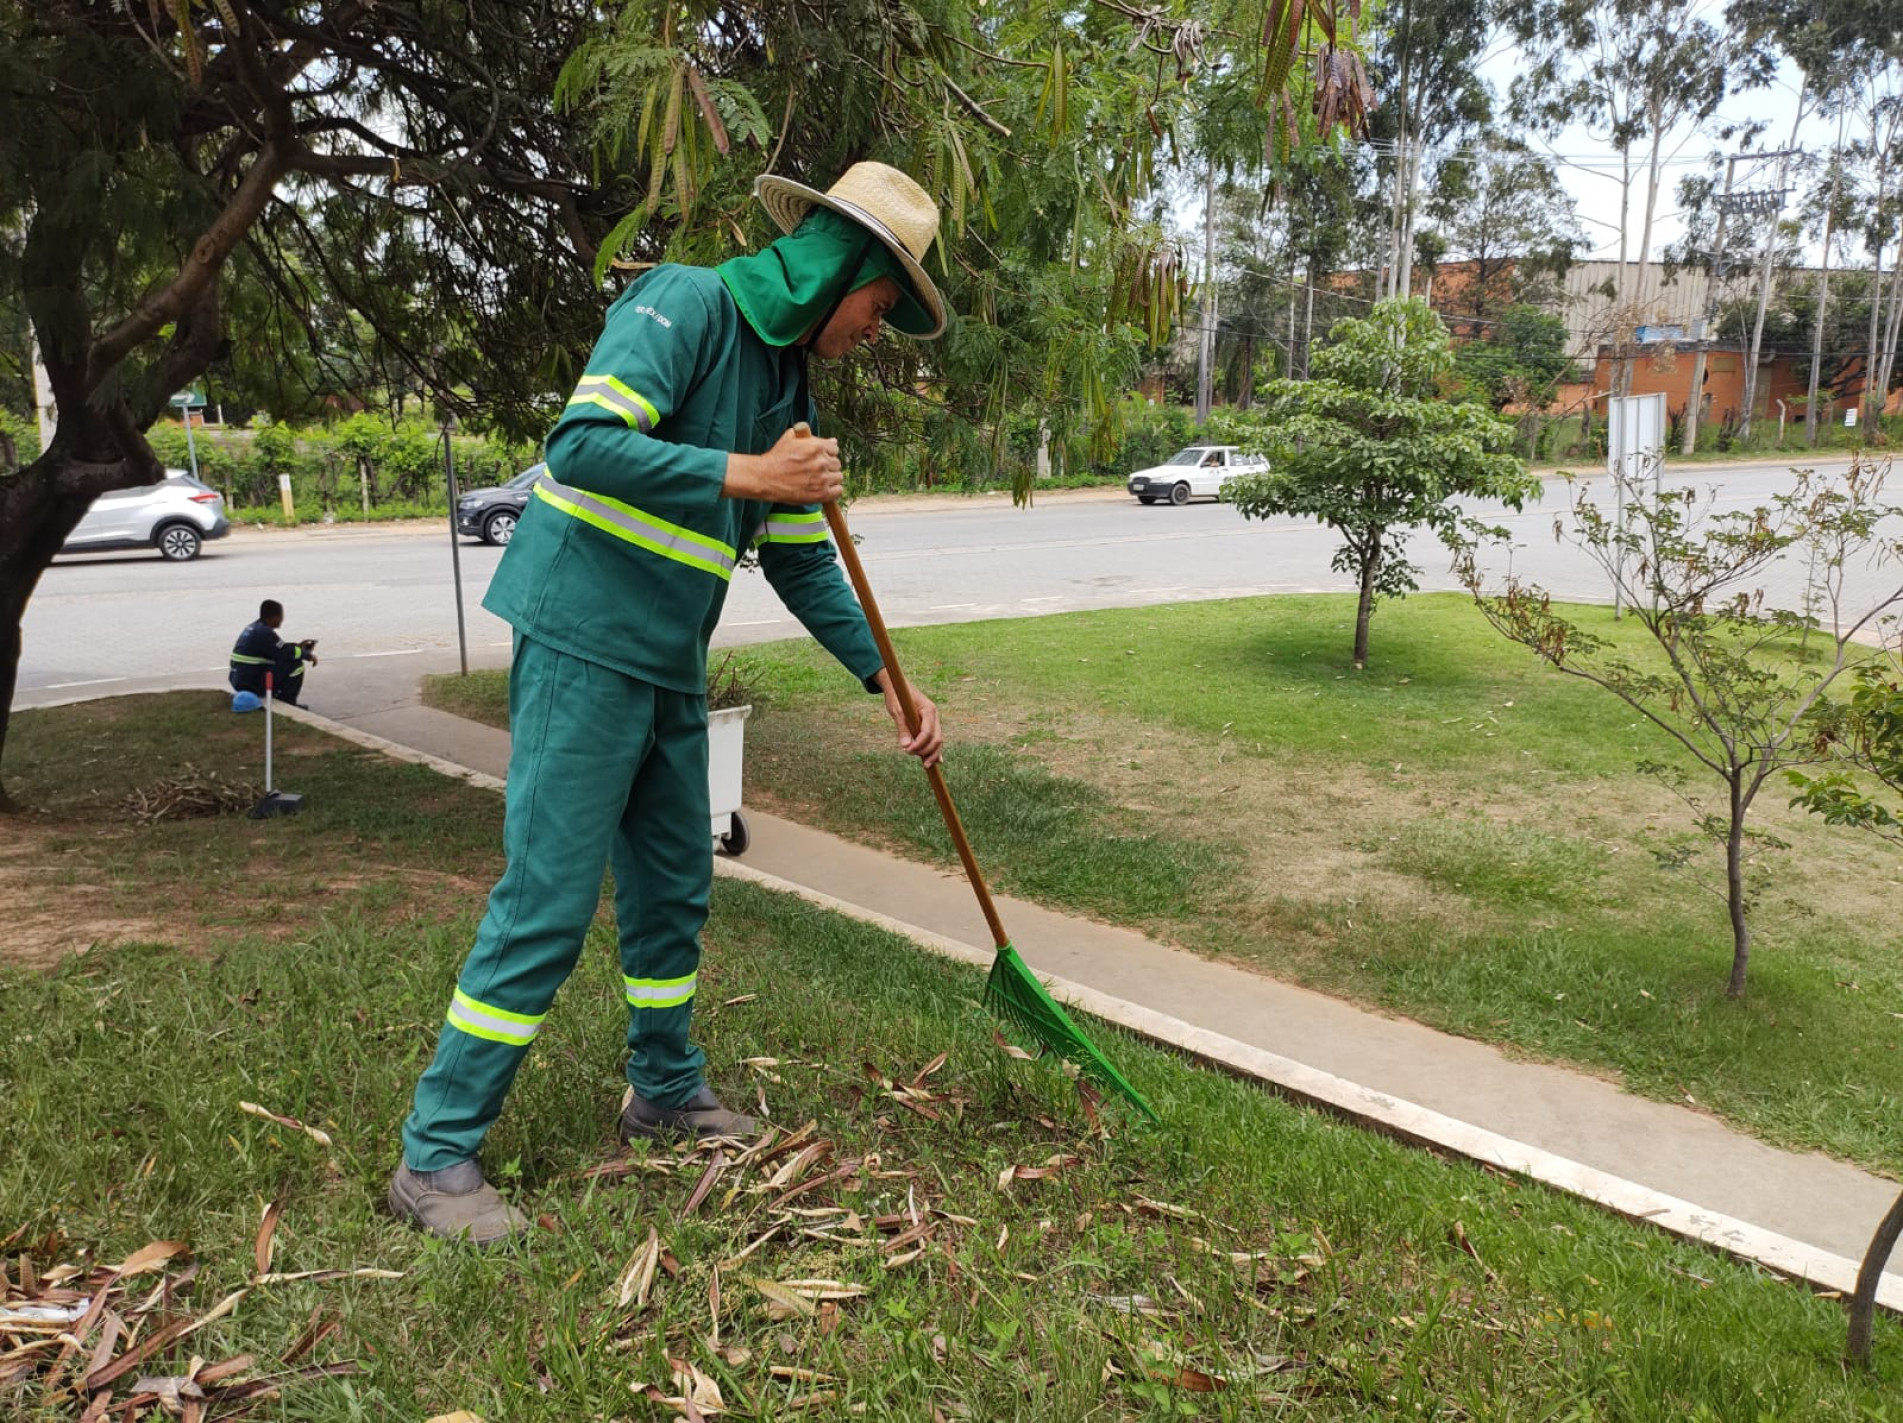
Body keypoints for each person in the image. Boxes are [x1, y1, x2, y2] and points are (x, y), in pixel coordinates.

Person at [388, 162, 950, 1245]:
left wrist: (888, 676)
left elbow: (799, 559)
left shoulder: (788, 390)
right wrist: (750, 475)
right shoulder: (684, 301)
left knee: (672, 888)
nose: (875, 331)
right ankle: (435, 1152)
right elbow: (582, 446)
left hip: (665, 662)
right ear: (841, 270)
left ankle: (664, 1092)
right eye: (880, 308)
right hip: (583, 640)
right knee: (548, 901)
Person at [229, 599, 316, 708]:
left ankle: (278, 695)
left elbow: (276, 649)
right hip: (251, 683)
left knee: (285, 659)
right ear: (274, 616)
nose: (282, 620)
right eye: (281, 616)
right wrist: (307, 655)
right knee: (296, 664)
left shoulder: (255, 628)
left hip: (240, 679)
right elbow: (284, 652)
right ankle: (288, 702)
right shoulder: (265, 632)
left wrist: (298, 647)